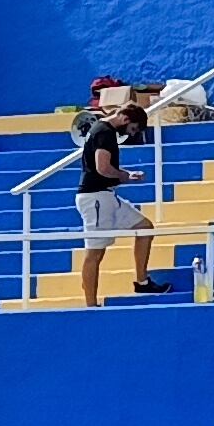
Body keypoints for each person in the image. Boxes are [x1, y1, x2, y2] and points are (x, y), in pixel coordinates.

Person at [73, 80, 168, 305]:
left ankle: (142, 282)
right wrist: (125, 176)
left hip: (107, 196)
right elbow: (102, 167)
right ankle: (90, 305)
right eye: (132, 128)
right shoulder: (105, 131)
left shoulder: (103, 129)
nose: (130, 133)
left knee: (144, 227)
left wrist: (126, 174)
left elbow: (105, 168)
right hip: (95, 197)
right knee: (95, 252)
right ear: (126, 119)